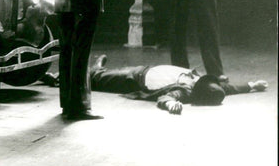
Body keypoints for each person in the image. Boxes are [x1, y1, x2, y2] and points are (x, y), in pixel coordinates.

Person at [88, 54, 268, 115]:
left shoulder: (186, 90)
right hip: (145, 69)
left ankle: (94, 70)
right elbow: (231, 89)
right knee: (108, 74)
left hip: (135, 79)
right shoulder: (200, 82)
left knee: (95, 79)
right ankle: (98, 68)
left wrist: (171, 104)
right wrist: (252, 85)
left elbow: (167, 97)